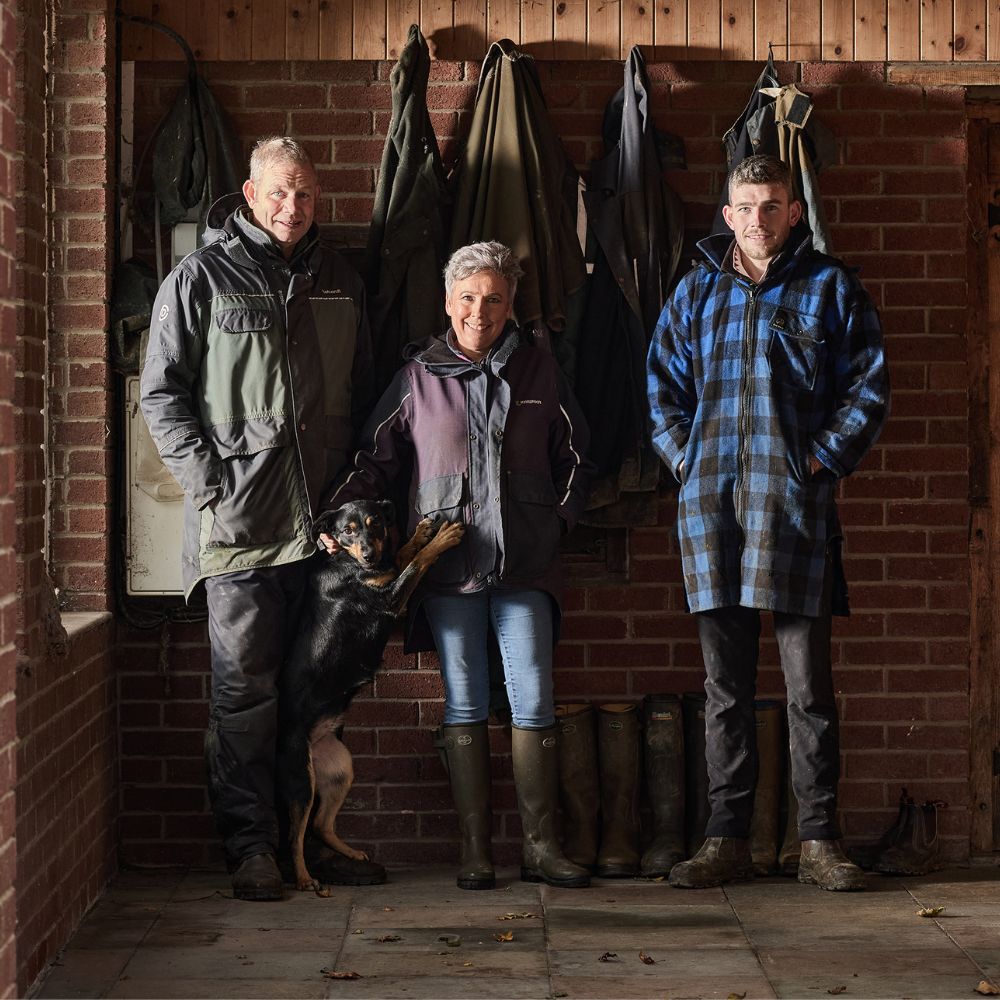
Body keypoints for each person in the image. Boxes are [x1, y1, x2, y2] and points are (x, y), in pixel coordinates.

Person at [140, 136, 380, 901]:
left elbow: (367, 391)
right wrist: (211, 487)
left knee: (309, 698)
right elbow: (161, 396)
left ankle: (305, 843)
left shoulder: (340, 278)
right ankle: (251, 849)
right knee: (245, 695)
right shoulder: (202, 276)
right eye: (279, 192)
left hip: (323, 532)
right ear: (249, 194)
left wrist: (351, 492)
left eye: (306, 195)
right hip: (240, 530)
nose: (293, 207)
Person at [646, 154, 889, 892]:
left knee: (808, 689)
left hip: (794, 515)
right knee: (726, 691)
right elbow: (661, 390)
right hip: (712, 516)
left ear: (793, 212)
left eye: (772, 205)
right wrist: (687, 461)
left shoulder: (830, 289)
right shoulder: (695, 293)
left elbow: (868, 386)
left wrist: (817, 462)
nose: (758, 219)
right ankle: (727, 841)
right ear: (727, 215)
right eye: (745, 206)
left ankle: (818, 841)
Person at [326, 241, 594, 890]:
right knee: (466, 702)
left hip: (524, 568)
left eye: (495, 298)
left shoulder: (538, 372)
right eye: (468, 297)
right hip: (447, 571)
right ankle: (476, 853)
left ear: (511, 304)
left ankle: (540, 847)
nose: (481, 310)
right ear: (448, 302)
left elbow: (578, 460)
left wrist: (553, 522)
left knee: (533, 702)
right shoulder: (418, 378)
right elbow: (373, 462)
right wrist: (340, 522)